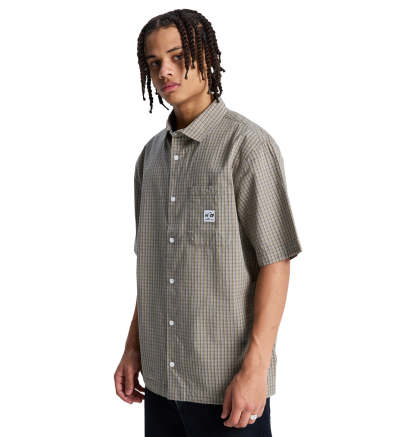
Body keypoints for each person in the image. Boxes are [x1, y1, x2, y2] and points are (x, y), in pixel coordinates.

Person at [114, 8, 302, 436]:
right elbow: (155, 268)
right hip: (160, 384)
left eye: (178, 57)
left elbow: (276, 262)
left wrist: (254, 371)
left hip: (227, 389)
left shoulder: (247, 146)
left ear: (207, 57)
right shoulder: (150, 158)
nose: (165, 71)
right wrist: (133, 347)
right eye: (154, 63)